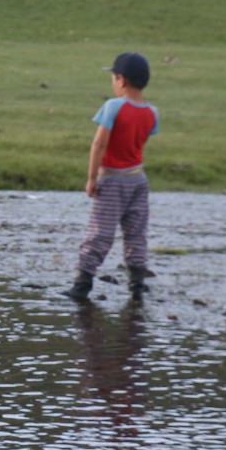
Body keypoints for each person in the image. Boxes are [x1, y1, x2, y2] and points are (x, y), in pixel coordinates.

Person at [63, 52, 158, 303]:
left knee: (100, 233)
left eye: (113, 77)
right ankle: (137, 284)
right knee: (136, 233)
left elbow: (99, 145)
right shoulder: (152, 112)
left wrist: (92, 178)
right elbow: (140, 143)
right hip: (139, 180)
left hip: (113, 180)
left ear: (121, 80)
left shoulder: (113, 107)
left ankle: (82, 283)